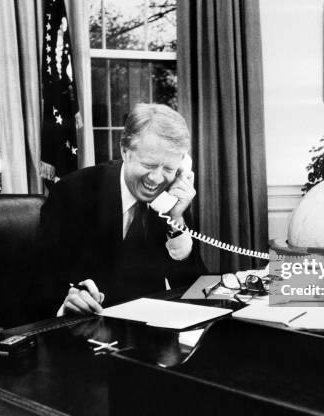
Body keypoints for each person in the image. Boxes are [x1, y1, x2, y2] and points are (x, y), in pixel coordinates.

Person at [37, 103, 206, 316]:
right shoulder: (73, 192)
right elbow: (42, 281)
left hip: (148, 333)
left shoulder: (171, 201)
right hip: (85, 329)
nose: (156, 179)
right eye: (149, 165)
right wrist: (68, 300)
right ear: (125, 151)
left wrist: (177, 220)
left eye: (169, 169)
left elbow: (197, 290)